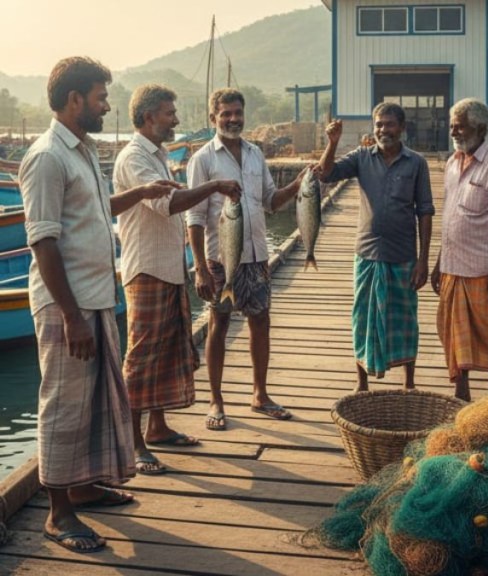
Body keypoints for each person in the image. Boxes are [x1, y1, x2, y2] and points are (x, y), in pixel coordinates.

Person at [20, 57, 180, 553]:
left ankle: (85, 486)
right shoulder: (47, 156)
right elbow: (43, 242)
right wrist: (70, 316)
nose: (107, 106)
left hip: (94, 297)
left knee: (92, 404)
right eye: (100, 97)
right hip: (66, 305)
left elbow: (94, 210)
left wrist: (141, 193)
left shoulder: (82, 152)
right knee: (63, 408)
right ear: (74, 101)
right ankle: (58, 512)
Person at [114, 84, 241, 474]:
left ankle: (158, 427)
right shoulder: (134, 156)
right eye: (170, 113)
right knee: (142, 356)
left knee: (168, 351)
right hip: (147, 269)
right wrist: (215, 186)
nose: (176, 120)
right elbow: (168, 204)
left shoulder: (157, 154)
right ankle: (133, 443)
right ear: (150, 116)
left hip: (168, 267)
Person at [186, 88, 306, 431]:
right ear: (214, 118)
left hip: (256, 255)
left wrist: (298, 184)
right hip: (218, 259)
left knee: (261, 321)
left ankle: (260, 395)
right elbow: (194, 218)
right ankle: (216, 400)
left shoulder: (255, 154)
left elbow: (270, 202)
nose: (233, 119)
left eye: (238, 113)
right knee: (218, 324)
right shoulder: (203, 159)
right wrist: (200, 268)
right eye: (226, 114)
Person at [317, 103, 434, 392]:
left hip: (403, 253)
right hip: (367, 252)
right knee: (363, 318)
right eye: (379, 124)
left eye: (390, 124)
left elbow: (426, 211)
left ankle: (409, 384)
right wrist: (332, 143)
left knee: (406, 319)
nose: (383, 130)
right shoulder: (361, 157)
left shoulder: (416, 163)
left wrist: (423, 260)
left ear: (402, 128)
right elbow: (326, 173)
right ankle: (362, 383)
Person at [430, 98, 488, 401]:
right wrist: (439, 262)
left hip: (482, 268)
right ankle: (461, 391)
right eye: (452, 126)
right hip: (452, 265)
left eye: (460, 126)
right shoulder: (452, 163)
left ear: (479, 128)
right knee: (452, 332)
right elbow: (450, 216)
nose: (454, 131)